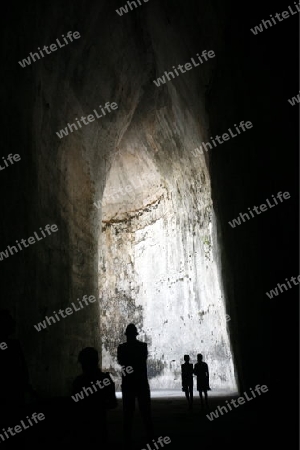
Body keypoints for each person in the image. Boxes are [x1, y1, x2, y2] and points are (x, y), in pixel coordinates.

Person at [117, 323, 153, 446]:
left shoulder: (121, 348)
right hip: (141, 382)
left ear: (127, 335)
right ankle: (150, 438)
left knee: (128, 413)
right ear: (135, 334)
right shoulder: (143, 347)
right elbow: (141, 361)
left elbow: (121, 362)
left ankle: (127, 440)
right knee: (145, 412)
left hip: (128, 383)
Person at [71, 347, 116, 444]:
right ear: (96, 361)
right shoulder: (105, 379)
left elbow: (73, 405)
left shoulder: (78, 382)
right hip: (100, 425)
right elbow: (113, 404)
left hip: (82, 428)